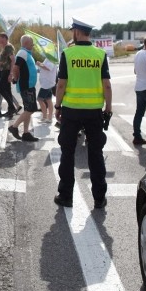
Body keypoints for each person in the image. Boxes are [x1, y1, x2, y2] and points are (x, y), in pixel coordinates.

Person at [54, 18, 112, 209]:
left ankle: (66, 196)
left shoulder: (68, 54)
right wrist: (108, 109)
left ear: (77, 32)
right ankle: (99, 198)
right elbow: (107, 85)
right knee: (95, 154)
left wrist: (57, 106)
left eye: (73, 31)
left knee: (67, 153)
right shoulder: (100, 54)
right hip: (94, 111)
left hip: (71, 111)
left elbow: (61, 84)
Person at [8, 35, 39, 142]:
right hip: (26, 86)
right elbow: (16, 67)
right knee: (31, 109)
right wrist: (15, 78)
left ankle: (26, 133)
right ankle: (14, 127)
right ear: (26, 43)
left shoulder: (26, 53)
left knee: (28, 109)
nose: (33, 45)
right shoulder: (22, 53)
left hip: (29, 86)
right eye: (32, 43)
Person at [0, 32, 20, 118]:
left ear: (5, 38)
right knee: (8, 91)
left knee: (1, 89)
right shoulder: (4, 48)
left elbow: (13, 60)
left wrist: (11, 73)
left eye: (0, 39)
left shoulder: (8, 47)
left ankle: (12, 107)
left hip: (7, 71)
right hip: (4, 71)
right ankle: (10, 110)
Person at [36, 57, 56, 123]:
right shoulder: (48, 58)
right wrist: (41, 64)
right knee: (48, 99)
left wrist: (39, 64)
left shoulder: (52, 58)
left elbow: (48, 68)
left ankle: (45, 116)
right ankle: (49, 117)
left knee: (40, 99)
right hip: (47, 82)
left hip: (47, 83)